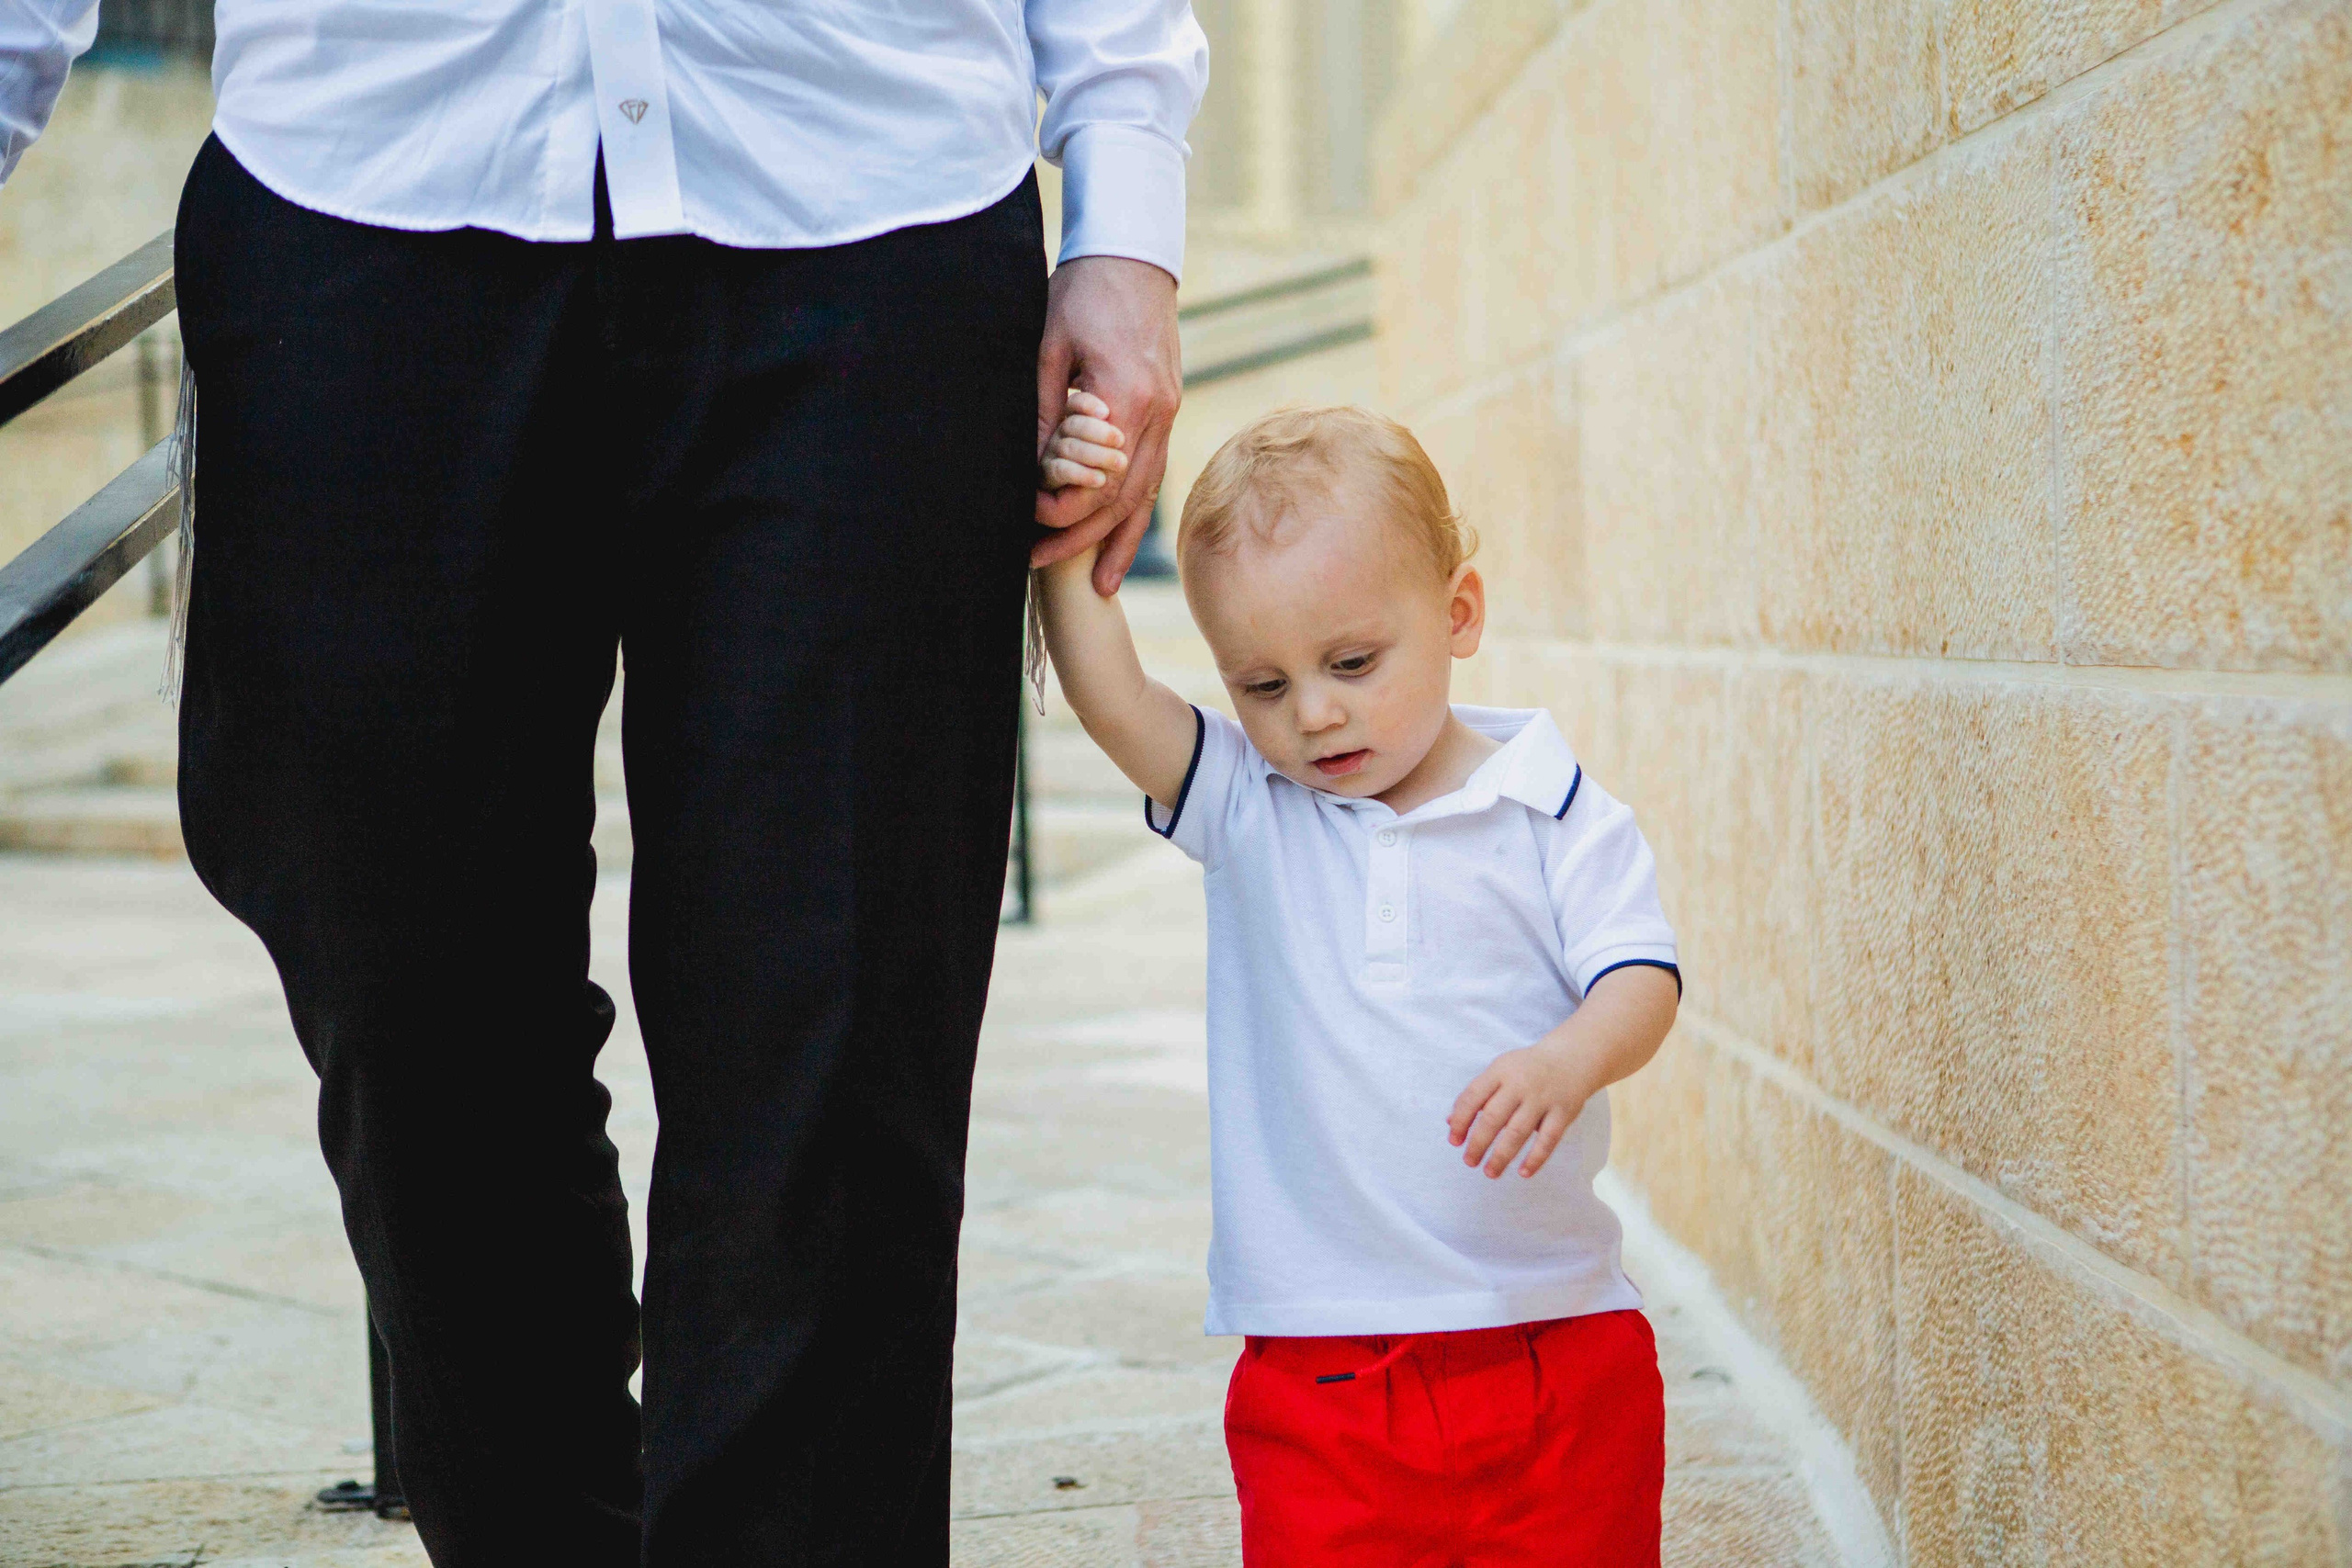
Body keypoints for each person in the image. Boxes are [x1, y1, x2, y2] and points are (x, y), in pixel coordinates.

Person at [0, 4, 1204, 1564]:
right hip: (364, 192)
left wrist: (1126, 201)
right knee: (408, 999)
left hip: (863, 193)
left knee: (842, 1032)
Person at [1037, 400, 1681, 1565]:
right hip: (1319, 1364)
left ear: (1458, 613)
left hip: (1552, 1337)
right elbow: (1110, 695)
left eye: (1350, 664)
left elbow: (1641, 976)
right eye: (1261, 686)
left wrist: (1567, 1058)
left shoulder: (1554, 808)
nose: (1313, 714)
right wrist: (1073, 528)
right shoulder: (1249, 806)